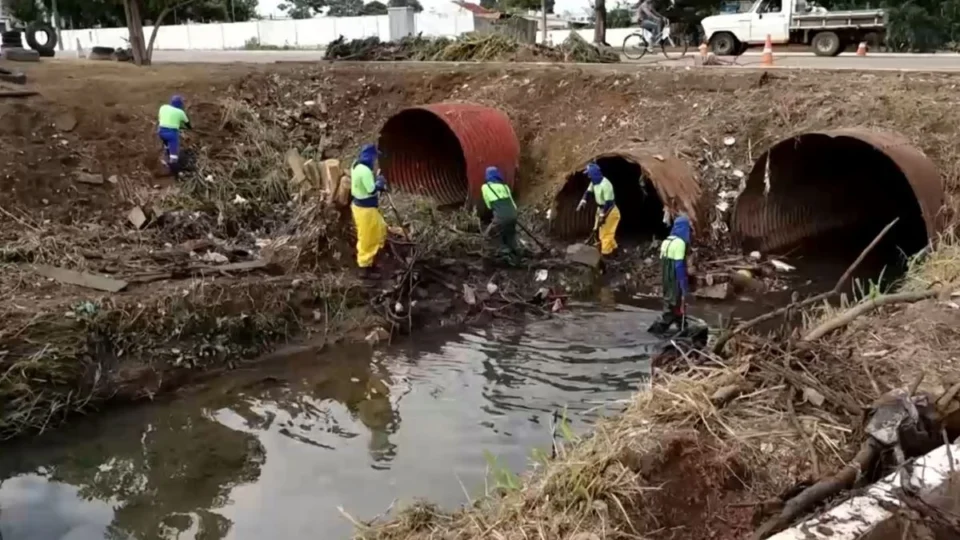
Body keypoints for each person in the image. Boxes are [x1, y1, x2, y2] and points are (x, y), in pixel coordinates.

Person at [649, 215, 692, 335]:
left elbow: (663, 262)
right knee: (675, 305)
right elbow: (679, 266)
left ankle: (682, 328)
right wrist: (683, 284)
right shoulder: (680, 243)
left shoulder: (666, 241)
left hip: (666, 278)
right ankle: (656, 332)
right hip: (675, 278)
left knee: (672, 303)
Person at [351, 143, 388, 276]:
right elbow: (371, 190)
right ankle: (364, 268)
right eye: (374, 158)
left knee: (381, 228)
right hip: (365, 209)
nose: (375, 161)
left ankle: (375, 256)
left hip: (362, 207)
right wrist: (379, 183)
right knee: (367, 238)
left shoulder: (356, 165)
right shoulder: (365, 171)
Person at [577, 162, 620, 257]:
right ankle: (615, 250)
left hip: (610, 211)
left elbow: (609, 203)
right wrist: (583, 200)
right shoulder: (594, 182)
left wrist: (602, 215)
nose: (588, 176)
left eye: (589, 174)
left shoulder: (606, 185)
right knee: (601, 231)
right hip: (600, 208)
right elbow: (588, 192)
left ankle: (606, 254)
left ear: (593, 174)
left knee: (606, 234)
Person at [481, 166, 520, 262]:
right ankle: (518, 254)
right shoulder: (505, 187)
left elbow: (489, 206)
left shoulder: (485, 187)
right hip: (513, 215)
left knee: (489, 236)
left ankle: (505, 254)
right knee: (510, 235)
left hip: (501, 217)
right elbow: (514, 205)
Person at [157, 95, 191, 175]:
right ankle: (174, 171)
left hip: (161, 132)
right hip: (171, 134)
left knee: (167, 145)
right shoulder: (181, 112)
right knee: (174, 156)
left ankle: (166, 157)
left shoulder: (163, 107)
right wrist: (189, 128)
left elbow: (160, 118)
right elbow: (187, 123)